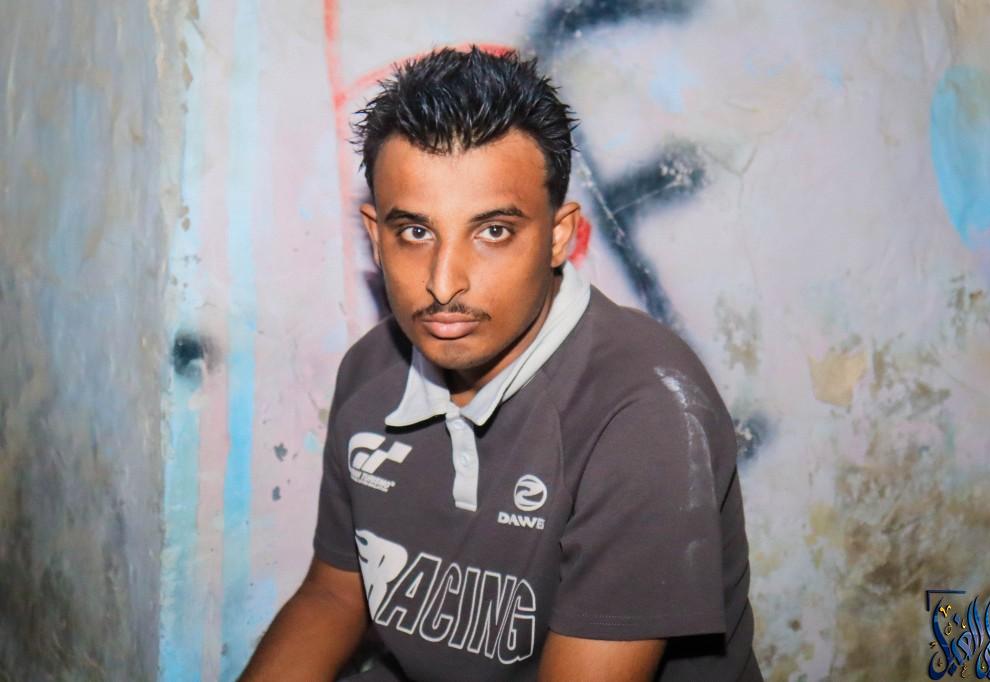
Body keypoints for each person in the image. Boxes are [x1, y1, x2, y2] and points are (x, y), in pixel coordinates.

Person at [241, 47, 761, 682]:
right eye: (415, 232)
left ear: (558, 236)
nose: (443, 283)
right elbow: (334, 594)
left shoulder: (644, 411)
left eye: (492, 232)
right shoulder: (371, 371)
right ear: (375, 235)